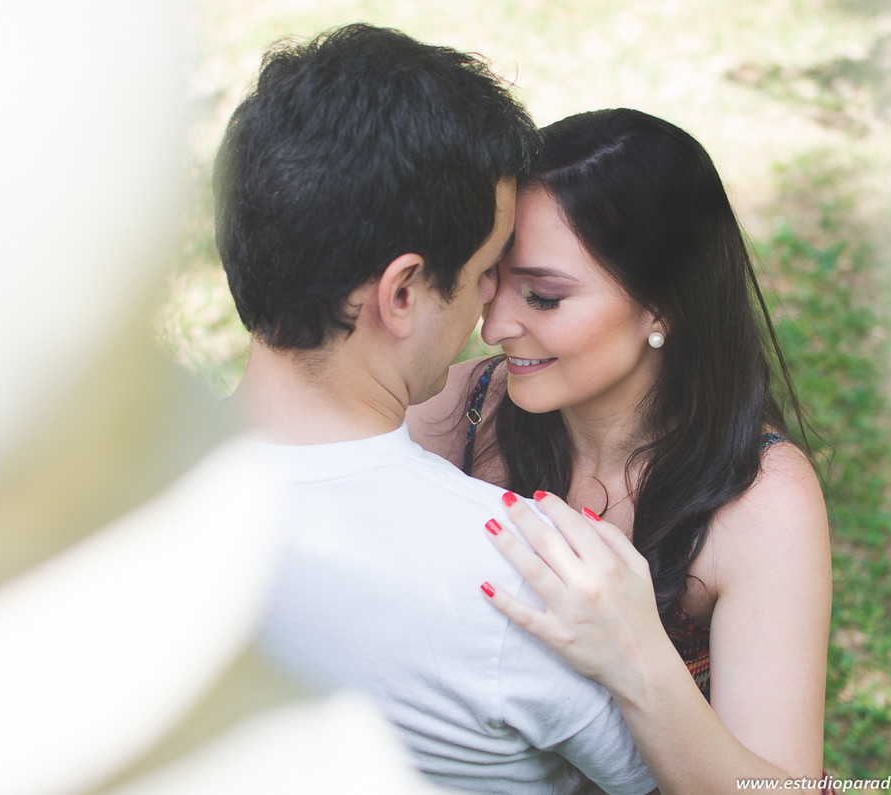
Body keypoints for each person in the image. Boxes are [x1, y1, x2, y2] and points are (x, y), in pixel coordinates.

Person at [216, 25, 657, 795]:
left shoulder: (99, 499)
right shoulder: (521, 576)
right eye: (489, 270)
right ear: (402, 292)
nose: (493, 311)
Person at [408, 108, 833, 792]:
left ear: (661, 306)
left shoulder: (760, 501)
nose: (494, 324)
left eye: (543, 296)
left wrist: (634, 655)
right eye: (495, 278)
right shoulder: (458, 410)